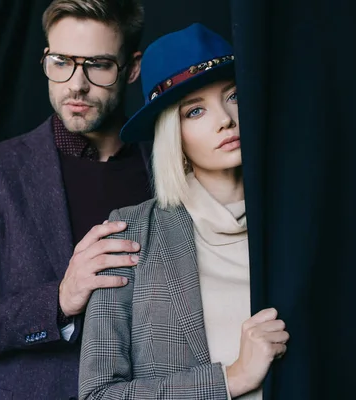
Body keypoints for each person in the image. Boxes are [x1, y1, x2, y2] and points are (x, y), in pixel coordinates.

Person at [0, 1, 152, 399]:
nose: (76, 84)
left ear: (132, 68)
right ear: (45, 59)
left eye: (98, 64)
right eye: (62, 61)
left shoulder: (166, 168)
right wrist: (60, 300)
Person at [79, 23, 290, 399]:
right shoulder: (128, 234)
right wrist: (230, 379)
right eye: (195, 111)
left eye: (234, 96)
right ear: (171, 133)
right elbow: (98, 394)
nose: (225, 119)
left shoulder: (298, 222)